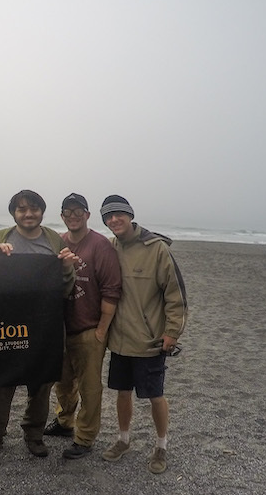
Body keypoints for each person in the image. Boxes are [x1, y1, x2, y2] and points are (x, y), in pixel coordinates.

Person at [0, 190, 77, 458]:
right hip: (7, 322)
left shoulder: (53, 240)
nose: (28, 214)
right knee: (3, 382)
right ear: (14, 213)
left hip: (44, 324)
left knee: (41, 383)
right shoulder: (2, 237)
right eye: (22, 209)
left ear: (42, 212)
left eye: (34, 209)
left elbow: (65, 289)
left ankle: (34, 434)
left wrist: (68, 268)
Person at [99, 195, 187, 474]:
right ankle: (123, 439)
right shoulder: (110, 247)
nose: (114, 220)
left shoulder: (156, 249)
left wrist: (172, 332)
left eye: (118, 214)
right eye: (108, 216)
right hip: (120, 340)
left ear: (130, 215)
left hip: (150, 341)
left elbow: (175, 295)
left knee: (155, 396)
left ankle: (161, 445)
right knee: (122, 393)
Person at [42, 193, 122, 460]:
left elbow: (112, 291)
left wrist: (102, 330)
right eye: (68, 212)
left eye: (79, 212)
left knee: (89, 387)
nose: (73, 217)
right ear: (62, 216)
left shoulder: (100, 246)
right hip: (60, 328)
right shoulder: (58, 242)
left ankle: (85, 437)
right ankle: (65, 422)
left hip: (89, 329)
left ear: (87, 215)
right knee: (62, 383)